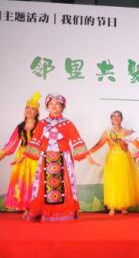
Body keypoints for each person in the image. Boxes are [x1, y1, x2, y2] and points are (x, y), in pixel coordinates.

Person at [23, 93, 98, 222]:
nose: (54, 106)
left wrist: (88, 157)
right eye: (51, 104)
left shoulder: (68, 123)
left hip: (63, 159)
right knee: (43, 185)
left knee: (64, 185)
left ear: (62, 107)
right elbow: (35, 140)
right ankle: (42, 211)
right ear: (47, 107)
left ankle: (63, 211)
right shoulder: (42, 124)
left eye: (57, 104)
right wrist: (23, 157)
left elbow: (76, 140)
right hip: (45, 158)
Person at [88, 110, 139, 215]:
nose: (116, 118)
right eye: (114, 116)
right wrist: (86, 154)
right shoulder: (107, 132)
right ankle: (112, 207)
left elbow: (138, 145)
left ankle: (124, 206)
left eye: (118, 116)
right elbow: (98, 145)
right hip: (112, 159)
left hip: (125, 158)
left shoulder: (128, 131)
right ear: (111, 119)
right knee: (113, 182)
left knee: (124, 182)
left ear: (121, 118)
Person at [0, 91, 41, 216]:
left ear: (37, 112)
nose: (29, 110)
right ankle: (26, 206)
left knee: (35, 180)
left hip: (35, 155)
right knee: (22, 180)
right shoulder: (20, 126)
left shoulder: (40, 125)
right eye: (27, 108)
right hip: (21, 156)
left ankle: (36, 206)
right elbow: (12, 143)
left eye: (33, 109)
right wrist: (2, 153)